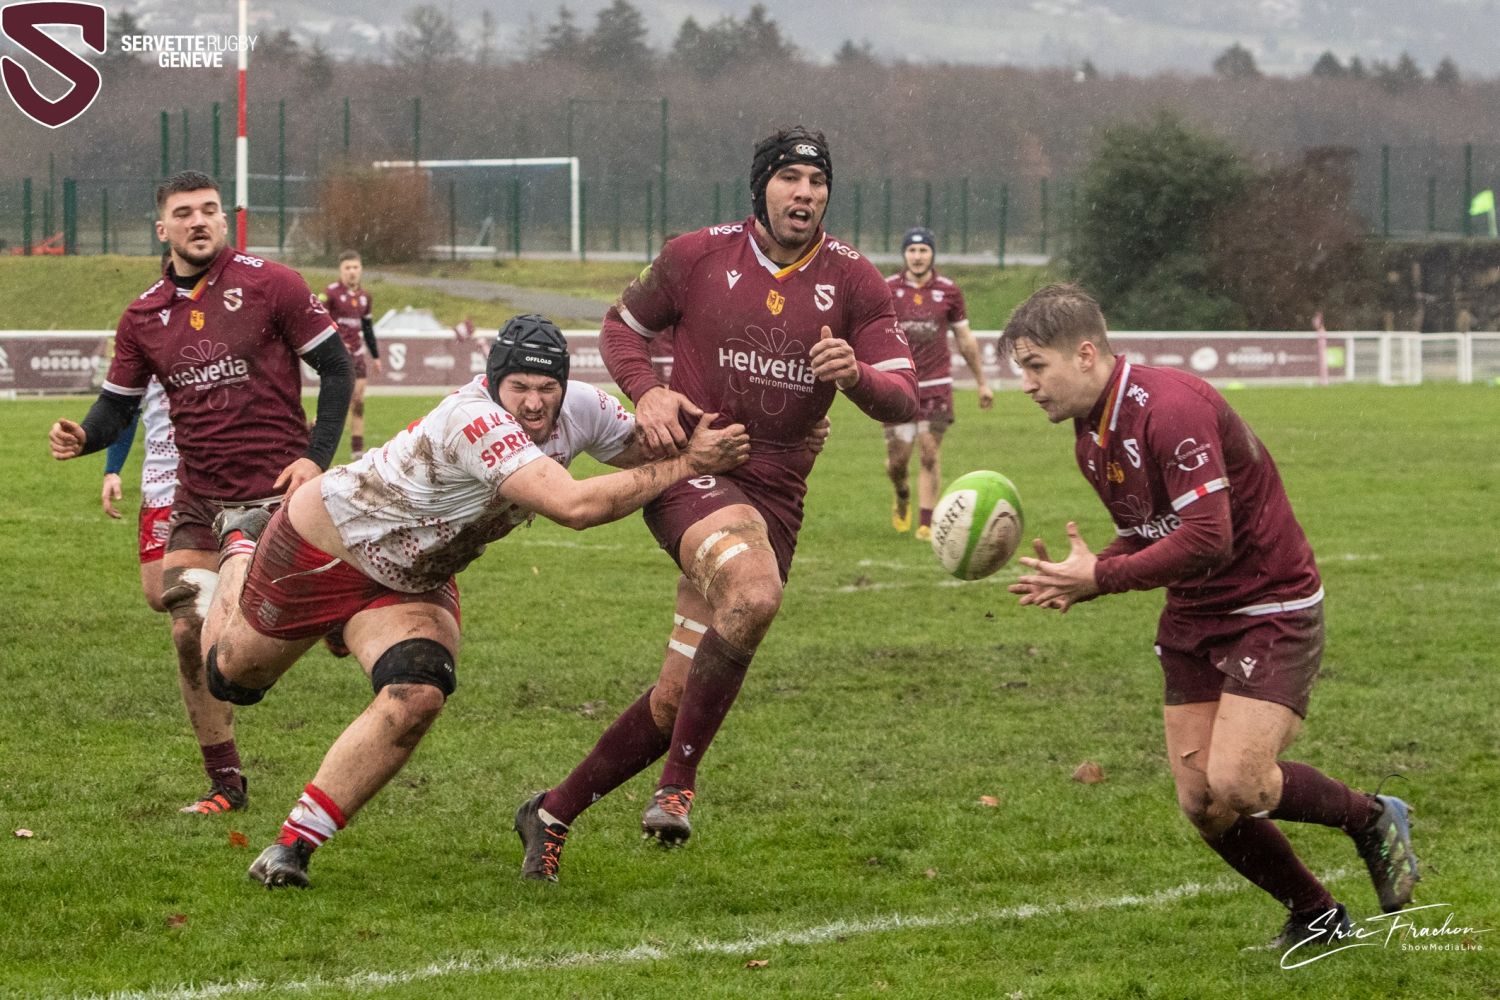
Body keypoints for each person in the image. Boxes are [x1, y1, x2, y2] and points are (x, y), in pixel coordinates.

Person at [199, 315, 750, 889]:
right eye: (519, 387)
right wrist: (691, 462)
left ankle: (292, 847)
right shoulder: (473, 419)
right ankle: (241, 540)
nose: (534, 403)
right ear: (492, 382)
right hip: (324, 545)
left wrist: (734, 437)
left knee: (419, 692)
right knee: (232, 679)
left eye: (548, 388)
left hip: (413, 577)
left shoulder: (582, 407)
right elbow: (576, 507)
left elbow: (656, 451)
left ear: (564, 385)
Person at [514, 126, 917, 883]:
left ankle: (551, 812)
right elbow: (621, 327)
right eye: (791, 178)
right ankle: (677, 786)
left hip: (779, 495)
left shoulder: (856, 279)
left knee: (676, 698)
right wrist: (650, 391)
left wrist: (856, 375)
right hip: (695, 470)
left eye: (818, 182)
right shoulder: (696, 254)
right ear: (761, 186)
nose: (805, 193)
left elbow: (904, 395)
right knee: (755, 593)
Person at [1002, 283, 1419, 949]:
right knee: (1203, 803)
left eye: (1034, 365)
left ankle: (1370, 817)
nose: (1025, 384)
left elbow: (1206, 538)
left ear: (1084, 354)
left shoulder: (1170, 408)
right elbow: (1150, 532)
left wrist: (1101, 577)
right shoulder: (1090, 436)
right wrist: (1087, 574)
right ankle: (1318, 917)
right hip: (1195, 612)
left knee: (1240, 782)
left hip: (1269, 602)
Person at [49, 169, 354, 815]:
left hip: (276, 489)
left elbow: (336, 368)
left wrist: (314, 458)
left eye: (209, 210)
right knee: (186, 624)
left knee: (255, 634)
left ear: (224, 218)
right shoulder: (143, 315)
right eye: (184, 212)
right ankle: (225, 781)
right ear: (162, 228)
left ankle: (332, 612)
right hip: (200, 496)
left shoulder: (273, 284)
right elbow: (117, 406)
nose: (198, 221)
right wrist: (85, 436)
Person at [882, 226, 993, 540]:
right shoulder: (888, 289)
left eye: (923, 250)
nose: (917, 256)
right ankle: (902, 492)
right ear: (904, 255)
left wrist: (982, 382)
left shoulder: (949, 291)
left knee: (929, 453)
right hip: (899, 384)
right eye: (912, 250)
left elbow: (965, 339)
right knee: (897, 461)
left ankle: (926, 522)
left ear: (932, 255)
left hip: (936, 384)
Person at [100, 376, 178, 613]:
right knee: (159, 594)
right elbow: (125, 407)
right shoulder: (143, 352)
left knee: (225, 580)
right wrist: (112, 470)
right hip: (163, 484)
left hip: (220, 477)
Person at [321, 250, 381, 458]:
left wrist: (376, 356)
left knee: (358, 401)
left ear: (361, 269)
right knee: (341, 403)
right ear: (341, 270)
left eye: (355, 267)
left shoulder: (365, 297)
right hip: (339, 356)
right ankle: (312, 430)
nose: (352, 272)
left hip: (358, 355)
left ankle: (357, 451)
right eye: (348, 268)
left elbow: (367, 328)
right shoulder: (330, 294)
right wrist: (335, 343)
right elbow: (319, 321)